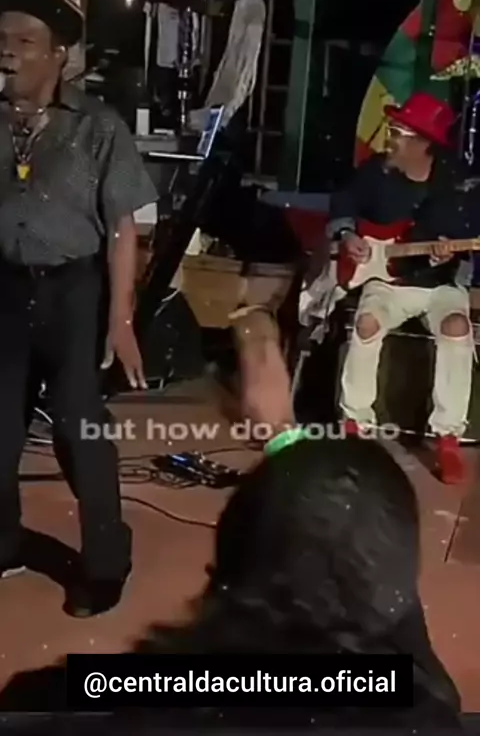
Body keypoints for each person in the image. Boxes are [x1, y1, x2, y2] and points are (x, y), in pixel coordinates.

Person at [0, 331, 461, 730]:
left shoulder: (62, 703)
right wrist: (285, 439)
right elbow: (406, 646)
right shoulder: (425, 712)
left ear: (221, 568)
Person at [0, 0, 158, 616]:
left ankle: (105, 564)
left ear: (58, 54)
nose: (7, 52)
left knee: (78, 429)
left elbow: (123, 226)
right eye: (1, 39)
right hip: (6, 290)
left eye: (23, 41)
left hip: (73, 292)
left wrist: (120, 319)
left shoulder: (97, 127)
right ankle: (5, 543)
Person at [328, 93, 475, 485]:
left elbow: (465, 232)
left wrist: (447, 250)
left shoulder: (456, 180)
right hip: (386, 282)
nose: (389, 139)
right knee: (367, 324)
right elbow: (342, 202)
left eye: (397, 132)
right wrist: (346, 235)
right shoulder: (375, 171)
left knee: (457, 327)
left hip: (438, 283)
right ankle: (355, 425)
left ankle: (447, 438)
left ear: (422, 142)